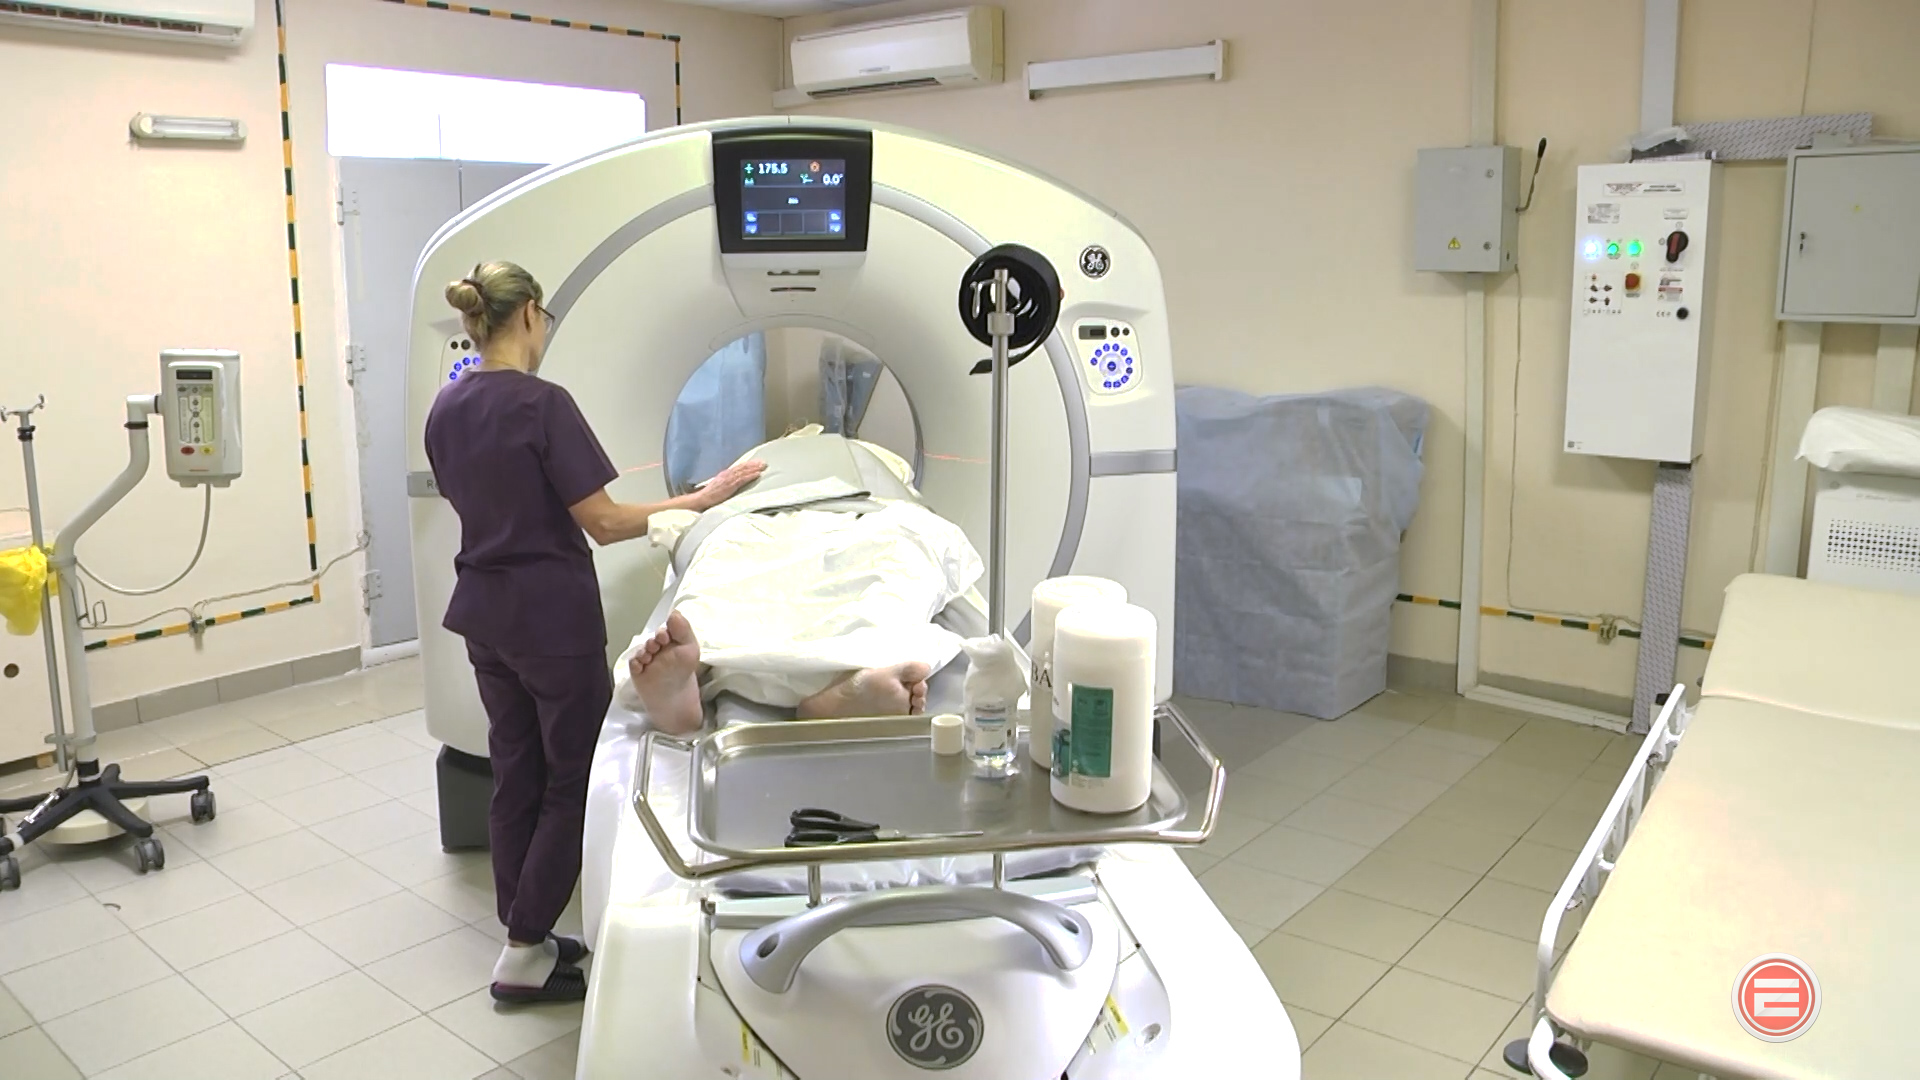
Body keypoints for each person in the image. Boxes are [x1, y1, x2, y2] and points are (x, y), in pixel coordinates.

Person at [425, 260, 763, 1005]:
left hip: (484, 614)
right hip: (550, 618)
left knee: (516, 769)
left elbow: (472, 498)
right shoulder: (542, 404)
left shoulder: (447, 405)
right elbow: (604, 524)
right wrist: (698, 499)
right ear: (530, 313)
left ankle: (525, 930)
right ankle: (523, 949)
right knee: (572, 775)